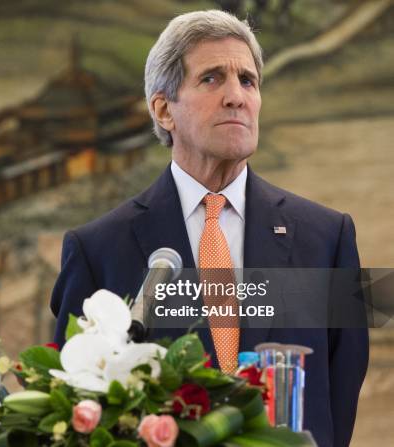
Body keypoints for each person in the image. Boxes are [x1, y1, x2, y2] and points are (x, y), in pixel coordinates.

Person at [50, 10, 368, 447]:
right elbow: (78, 408)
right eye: (212, 79)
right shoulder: (98, 250)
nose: (237, 96)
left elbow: (340, 393)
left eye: (248, 80)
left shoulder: (328, 238)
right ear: (164, 110)